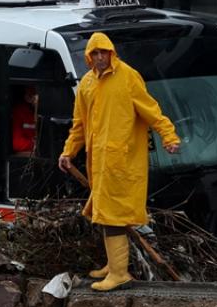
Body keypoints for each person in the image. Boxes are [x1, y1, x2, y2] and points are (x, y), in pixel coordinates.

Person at [58, 32, 180, 292]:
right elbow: (79, 124)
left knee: (113, 216)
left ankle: (119, 273)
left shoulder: (128, 77)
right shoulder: (88, 84)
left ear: (111, 53)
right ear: (89, 56)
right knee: (104, 214)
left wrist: (168, 136)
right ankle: (113, 264)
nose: (100, 57)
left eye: (104, 52)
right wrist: (68, 151)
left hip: (122, 163)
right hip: (99, 164)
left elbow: (151, 110)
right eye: (95, 53)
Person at [11, 85, 39, 154]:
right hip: (29, 155)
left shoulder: (48, 112)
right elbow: (17, 143)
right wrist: (35, 145)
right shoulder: (20, 112)